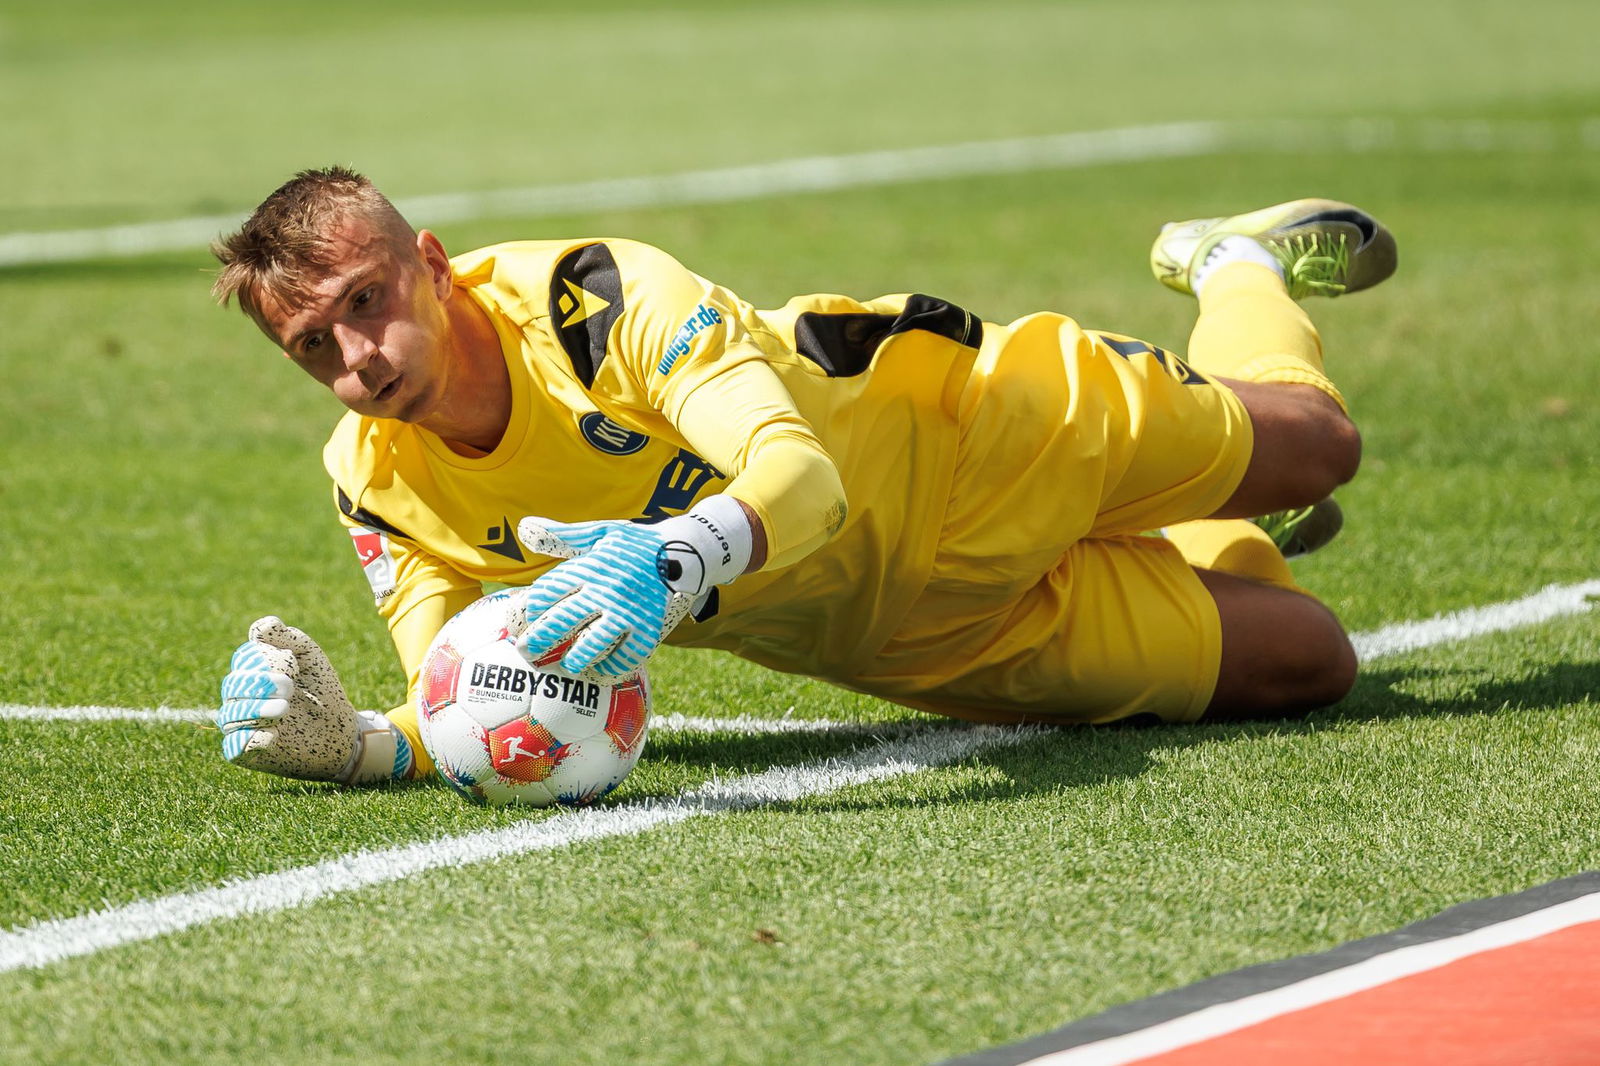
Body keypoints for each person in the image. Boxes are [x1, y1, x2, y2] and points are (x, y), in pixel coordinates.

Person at [212, 167, 1394, 785]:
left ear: (431, 264)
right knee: (1311, 661)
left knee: (1316, 442)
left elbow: (801, 477)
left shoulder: (590, 302)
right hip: (900, 634)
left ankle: (1234, 263)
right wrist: (362, 745)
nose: (358, 359)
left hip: (972, 430)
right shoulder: (375, 481)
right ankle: (1209, 533)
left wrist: (676, 555)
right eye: (314, 345)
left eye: (366, 303)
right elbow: (471, 695)